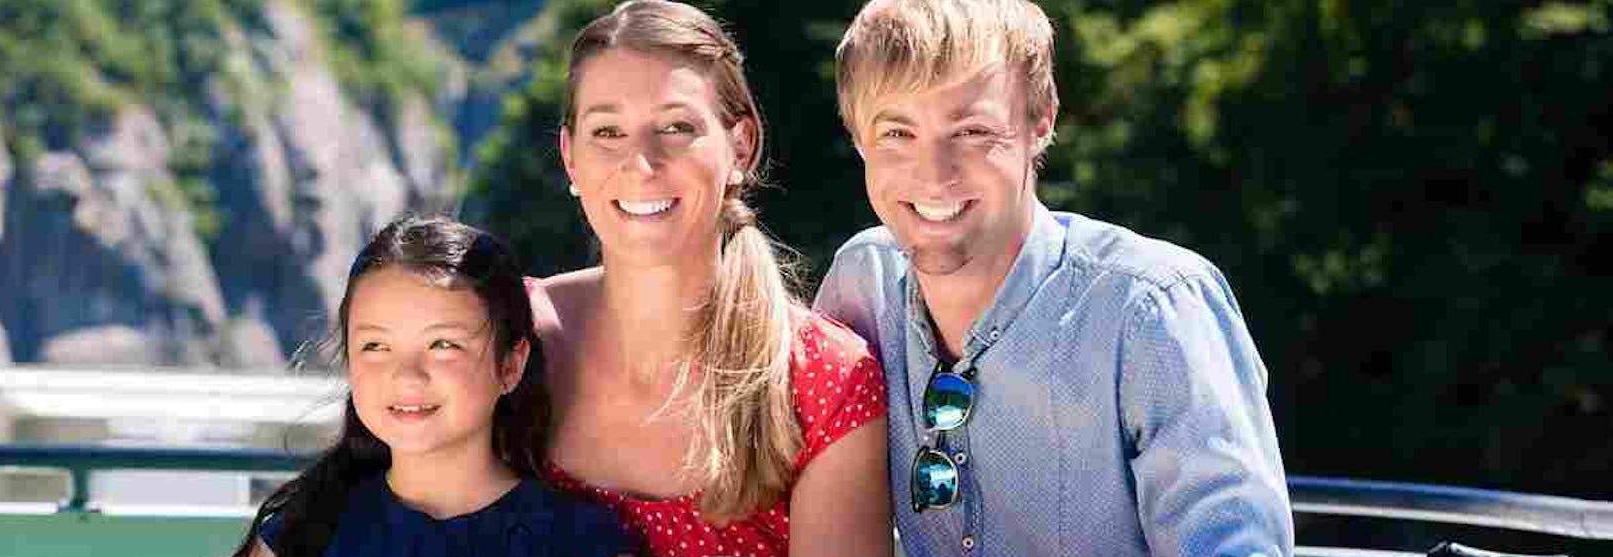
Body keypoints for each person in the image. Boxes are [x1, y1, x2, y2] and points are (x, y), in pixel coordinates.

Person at [813, 1, 1296, 556]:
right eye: (898, 133)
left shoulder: (1152, 309)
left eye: (971, 130)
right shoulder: (862, 285)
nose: (935, 176)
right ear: (857, 138)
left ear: (1040, 120)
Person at [528, 2, 893, 556]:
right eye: (607, 131)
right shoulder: (510, 336)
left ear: (739, 146)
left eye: (677, 127)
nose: (641, 163)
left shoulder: (827, 380)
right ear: (570, 157)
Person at [232, 215, 635, 557]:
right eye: (376, 346)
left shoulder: (584, 540)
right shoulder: (302, 534)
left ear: (511, 364)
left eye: (443, 345)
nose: (407, 375)